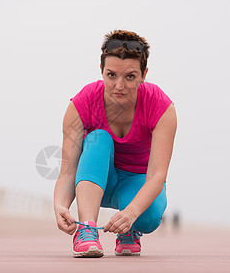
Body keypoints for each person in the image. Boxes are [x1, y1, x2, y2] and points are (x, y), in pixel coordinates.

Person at [53, 30, 177, 257]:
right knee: (97, 138)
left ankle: (129, 230)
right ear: (101, 71)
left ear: (144, 74)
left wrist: (130, 214)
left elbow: (158, 175)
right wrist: (60, 204)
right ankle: (87, 230)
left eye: (130, 76)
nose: (119, 85)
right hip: (97, 178)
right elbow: (68, 168)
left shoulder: (161, 107)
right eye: (111, 75)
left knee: (148, 218)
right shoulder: (82, 102)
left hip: (136, 181)